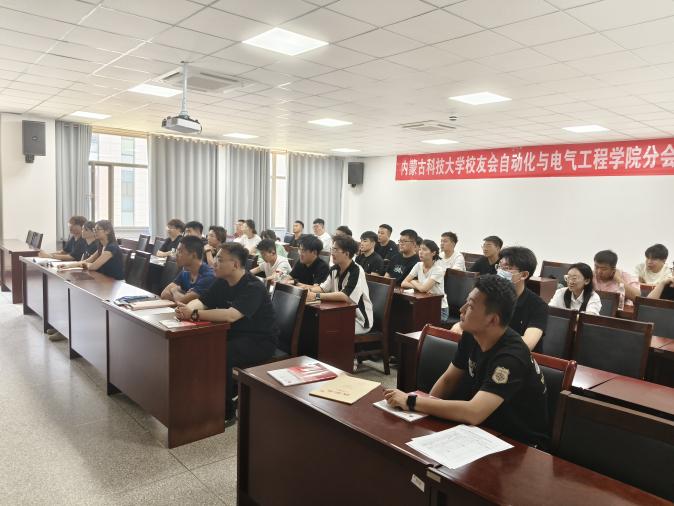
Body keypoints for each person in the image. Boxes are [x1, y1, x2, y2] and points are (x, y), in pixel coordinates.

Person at [384, 275, 549, 447]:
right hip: (483, 429)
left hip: (519, 443)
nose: (461, 310)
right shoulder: (472, 335)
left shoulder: (511, 357)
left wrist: (412, 401)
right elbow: (448, 381)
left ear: (492, 319)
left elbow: (474, 412)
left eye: (470, 306)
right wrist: (421, 414)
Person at [175, 243, 279, 422]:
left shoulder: (253, 286)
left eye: (220, 260)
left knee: (219, 353)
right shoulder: (222, 281)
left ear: (235, 265)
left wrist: (193, 314)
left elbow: (231, 315)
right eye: (215, 258)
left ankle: (226, 411)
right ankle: (201, 397)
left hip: (260, 340)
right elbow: (203, 301)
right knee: (198, 345)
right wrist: (186, 309)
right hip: (233, 334)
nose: (214, 263)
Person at [301, 236, 373, 335]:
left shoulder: (356, 271)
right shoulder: (334, 269)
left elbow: (345, 296)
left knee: (325, 329)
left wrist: (316, 296)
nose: (332, 253)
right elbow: (323, 288)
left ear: (347, 253)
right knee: (310, 322)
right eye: (332, 249)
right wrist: (307, 291)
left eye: (335, 250)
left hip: (358, 320)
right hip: (340, 314)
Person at [57, 220, 124, 280]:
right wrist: (68, 266)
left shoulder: (111, 247)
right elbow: (87, 261)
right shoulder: (101, 246)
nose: (95, 232)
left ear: (107, 231)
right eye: (94, 229)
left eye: (97, 229)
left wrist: (82, 264)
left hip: (114, 281)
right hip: (103, 278)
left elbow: (93, 266)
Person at [401, 239, 449, 322]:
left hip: (439, 309)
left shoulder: (438, 269)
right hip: (423, 304)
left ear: (433, 253)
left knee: (414, 320)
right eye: (420, 249)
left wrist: (413, 281)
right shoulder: (418, 265)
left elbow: (424, 289)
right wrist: (418, 284)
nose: (420, 252)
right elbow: (404, 283)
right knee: (405, 316)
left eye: (424, 249)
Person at [161, 236, 216, 304]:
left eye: (180, 251)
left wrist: (174, 291)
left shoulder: (208, 276)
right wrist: (183, 295)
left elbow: (184, 301)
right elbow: (164, 294)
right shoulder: (185, 272)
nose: (176, 255)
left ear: (193, 255)